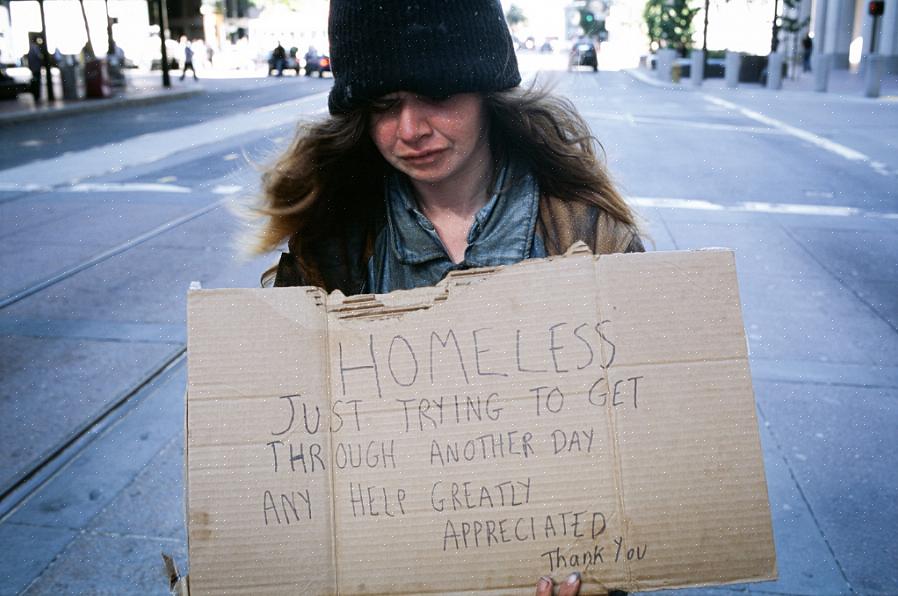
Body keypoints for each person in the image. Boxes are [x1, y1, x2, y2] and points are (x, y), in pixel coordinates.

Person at [249, 1, 640, 590]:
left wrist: (604, 576)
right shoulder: (331, 249)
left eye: (435, 95)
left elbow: (638, 452)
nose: (410, 130)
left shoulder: (587, 234)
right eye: (383, 106)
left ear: (486, 90)